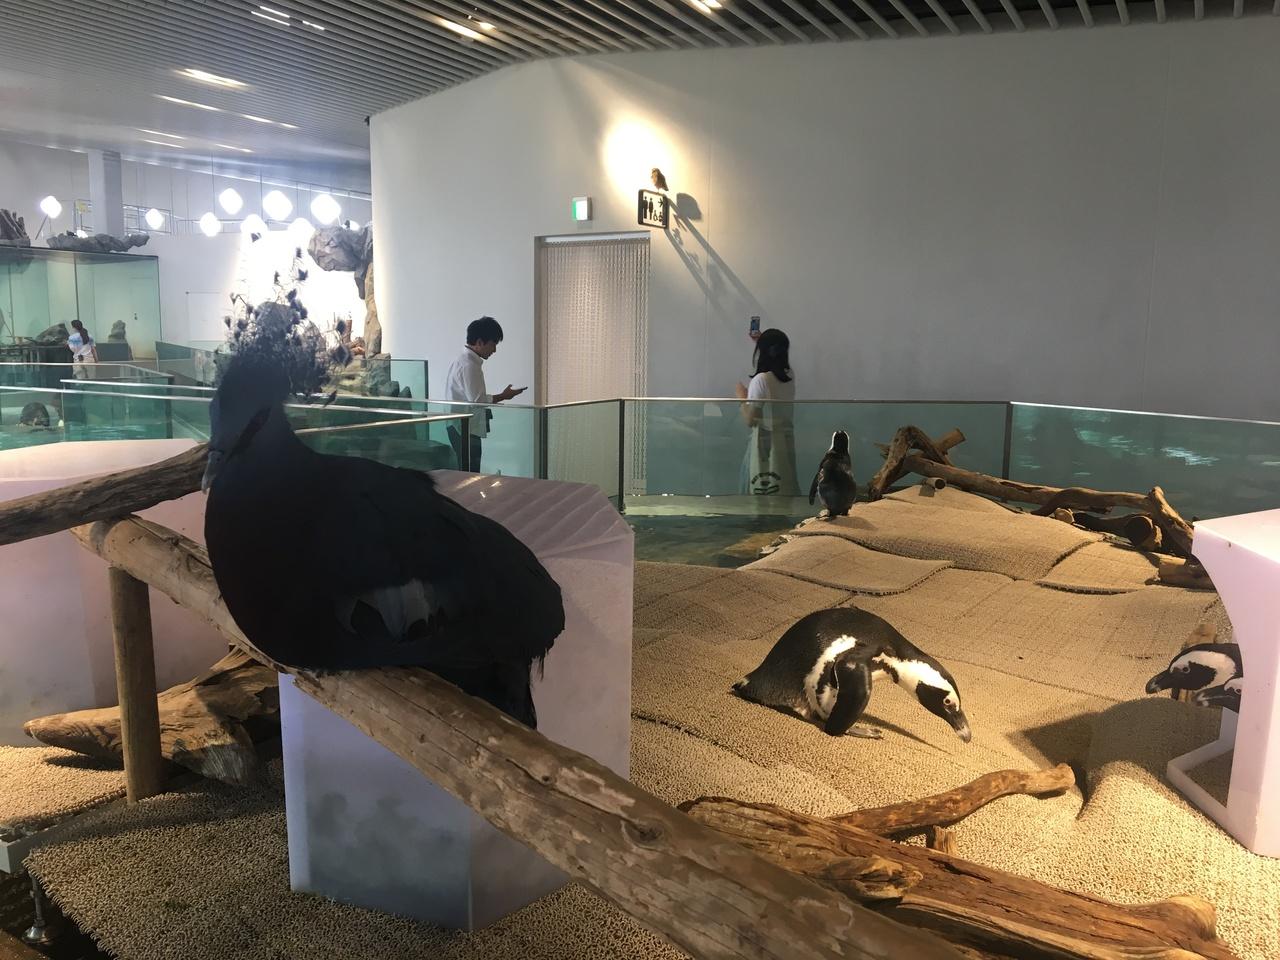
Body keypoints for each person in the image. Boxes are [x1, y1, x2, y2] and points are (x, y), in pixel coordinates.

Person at [443, 316, 527, 472]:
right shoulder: (469, 365)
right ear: (480, 342)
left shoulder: (464, 360)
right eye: (493, 344)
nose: (494, 350)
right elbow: (478, 401)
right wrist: (504, 395)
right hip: (464, 429)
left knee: (467, 472)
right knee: (470, 474)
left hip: (459, 426)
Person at [735, 327, 799, 497]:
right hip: (785, 443)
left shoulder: (761, 380)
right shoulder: (789, 376)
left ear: (761, 352)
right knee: (784, 487)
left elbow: (751, 420)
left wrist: (741, 397)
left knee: (758, 493)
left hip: (764, 446)